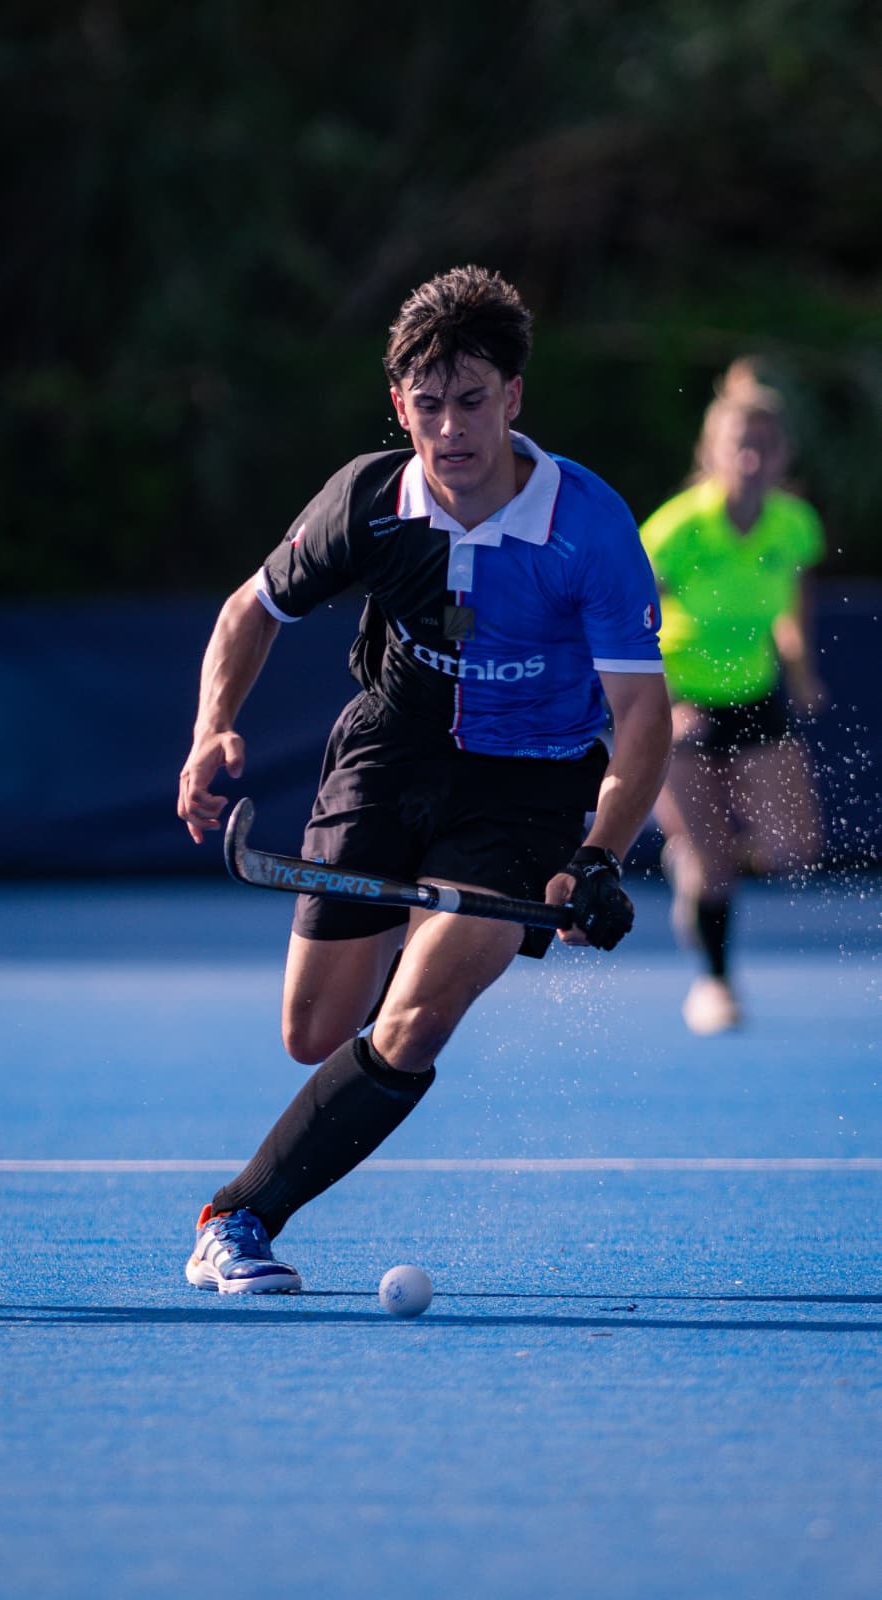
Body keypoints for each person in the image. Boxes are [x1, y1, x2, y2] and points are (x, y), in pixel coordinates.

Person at [177, 264, 672, 1293]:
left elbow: (641, 717)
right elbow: (249, 611)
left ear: (514, 397)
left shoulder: (588, 527)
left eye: (474, 400)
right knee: (314, 1032)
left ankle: (237, 1218)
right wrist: (212, 726)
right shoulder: (370, 500)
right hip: (392, 749)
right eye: (430, 404)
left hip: (529, 784)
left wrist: (598, 855)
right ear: (399, 404)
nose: (452, 429)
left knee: (415, 1019)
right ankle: (411, 926)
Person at [640, 359, 825, 1037]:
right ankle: (715, 984)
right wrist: (664, 707)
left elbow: (794, 599)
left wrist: (799, 670)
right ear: (711, 453)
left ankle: (696, 853)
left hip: (755, 693)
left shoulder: (794, 524)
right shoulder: (674, 530)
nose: (751, 460)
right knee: (714, 869)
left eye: (764, 447)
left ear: (783, 455)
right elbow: (626, 624)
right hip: (680, 699)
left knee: (794, 850)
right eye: (739, 446)